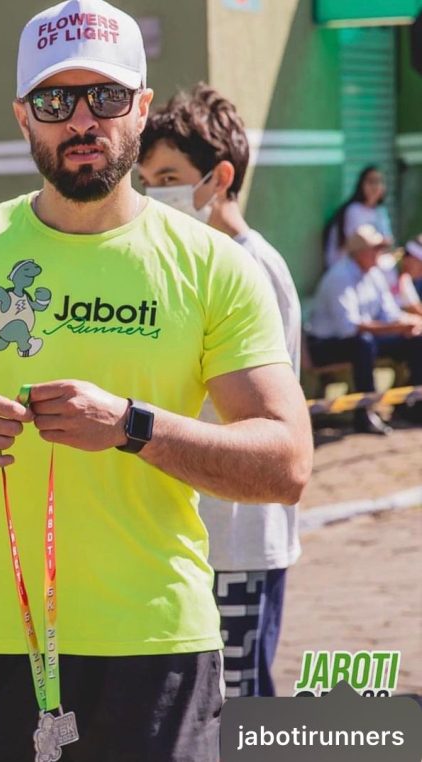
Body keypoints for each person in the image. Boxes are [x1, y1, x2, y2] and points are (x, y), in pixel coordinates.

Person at [0, 1, 312, 759]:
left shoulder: (215, 266)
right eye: (56, 100)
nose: (82, 120)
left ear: (141, 109)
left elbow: (286, 463)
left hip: (158, 648)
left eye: (107, 97)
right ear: (24, 116)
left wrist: (131, 426)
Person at [137, 83, 301, 698]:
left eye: (170, 175)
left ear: (220, 176)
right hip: (205, 537)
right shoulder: (202, 261)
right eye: (149, 180)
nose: (157, 194)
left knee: (236, 719)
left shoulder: (246, 267)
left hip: (237, 540)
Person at [307, 224, 422, 433]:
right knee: (363, 344)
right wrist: (396, 326)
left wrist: (410, 325)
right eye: (375, 248)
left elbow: (390, 313)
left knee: (416, 339)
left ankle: (410, 406)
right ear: (360, 252)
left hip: (360, 340)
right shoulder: (339, 277)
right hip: (323, 346)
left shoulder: (374, 274)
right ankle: (365, 413)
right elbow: (349, 328)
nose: (380, 253)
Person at [323, 165, 394, 269]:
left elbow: (388, 241)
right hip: (344, 265)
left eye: (379, 182)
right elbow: (360, 244)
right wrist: (380, 242)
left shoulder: (381, 211)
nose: (375, 186)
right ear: (361, 185)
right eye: (371, 182)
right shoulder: (353, 210)